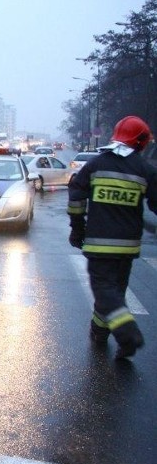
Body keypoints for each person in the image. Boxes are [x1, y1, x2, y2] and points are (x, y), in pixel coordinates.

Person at [68, 116, 157, 359]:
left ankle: (128, 334)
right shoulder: (145, 169)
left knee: (106, 291)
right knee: (114, 291)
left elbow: (76, 195)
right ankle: (100, 330)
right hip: (128, 247)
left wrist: (77, 228)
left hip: (99, 244)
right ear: (140, 142)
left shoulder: (96, 164)